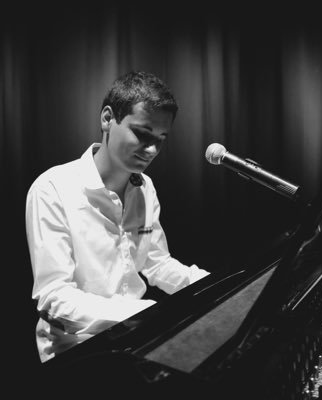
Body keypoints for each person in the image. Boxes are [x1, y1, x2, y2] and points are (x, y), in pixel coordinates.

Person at [25, 70, 209, 363]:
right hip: (76, 350)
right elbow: (55, 297)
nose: (151, 150)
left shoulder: (144, 186)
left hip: (137, 340)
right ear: (108, 118)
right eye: (142, 134)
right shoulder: (53, 187)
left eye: (161, 139)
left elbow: (157, 263)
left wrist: (215, 286)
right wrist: (142, 314)